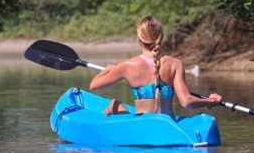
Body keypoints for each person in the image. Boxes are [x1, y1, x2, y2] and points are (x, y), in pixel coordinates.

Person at [89, 16, 222, 117]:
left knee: (113, 104)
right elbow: (187, 102)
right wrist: (210, 101)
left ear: (139, 39)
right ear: (161, 38)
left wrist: (107, 70)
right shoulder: (175, 64)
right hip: (168, 124)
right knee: (116, 105)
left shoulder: (127, 66)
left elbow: (93, 86)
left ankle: (106, 118)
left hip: (143, 125)